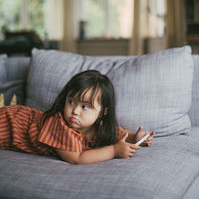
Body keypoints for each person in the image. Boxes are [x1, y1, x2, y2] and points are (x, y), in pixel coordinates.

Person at [0, 70, 155, 164]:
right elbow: (77, 158)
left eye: (85, 106)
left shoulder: (96, 128)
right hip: (10, 122)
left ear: (102, 112)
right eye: (71, 101)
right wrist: (114, 151)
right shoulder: (59, 125)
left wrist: (136, 137)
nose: (75, 111)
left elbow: (117, 133)